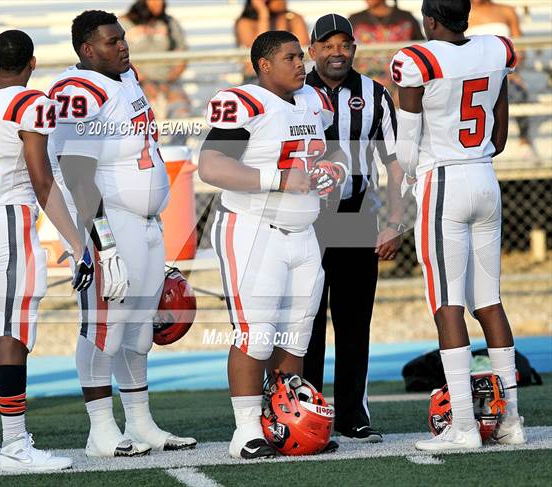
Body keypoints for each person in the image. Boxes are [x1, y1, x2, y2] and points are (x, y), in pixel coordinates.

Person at [47, 9, 196, 458]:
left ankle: (140, 422)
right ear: (87, 49)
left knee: (138, 332)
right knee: (103, 329)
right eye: (112, 41)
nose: (123, 46)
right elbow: (77, 173)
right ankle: (100, 431)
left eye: (123, 38)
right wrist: (103, 244)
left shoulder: (124, 77)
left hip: (145, 222)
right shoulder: (77, 91)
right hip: (107, 223)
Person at [0, 30, 94, 472]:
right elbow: (42, 181)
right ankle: (15, 445)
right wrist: (78, 244)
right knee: (15, 337)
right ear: (32, 63)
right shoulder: (30, 104)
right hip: (10, 223)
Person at [199, 30, 343, 459]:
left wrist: (333, 170)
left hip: (304, 232)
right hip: (252, 230)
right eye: (290, 58)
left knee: (296, 335)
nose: (301, 64)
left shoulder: (313, 100)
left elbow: (333, 152)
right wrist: (277, 179)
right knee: (256, 334)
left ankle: (284, 422)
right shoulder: (248, 102)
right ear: (264, 65)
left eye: (301, 56)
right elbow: (211, 166)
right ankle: (246, 432)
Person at [391, 0, 525, 450]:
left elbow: (407, 149)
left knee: (447, 304)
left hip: (443, 181)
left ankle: (465, 426)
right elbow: (499, 137)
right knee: (489, 301)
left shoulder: (418, 59)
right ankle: (511, 421)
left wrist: (409, 182)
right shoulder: (496, 49)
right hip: (485, 176)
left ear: (430, 20)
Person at [302, 13, 406, 444]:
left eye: (344, 44)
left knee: (353, 321)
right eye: (327, 45)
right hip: (303, 216)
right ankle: (303, 412)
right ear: (312, 50)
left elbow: (395, 164)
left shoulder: (375, 95)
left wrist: (395, 222)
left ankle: (351, 415)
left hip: (357, 212)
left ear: (354, 49)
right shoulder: (293, 93)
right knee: (304, 321)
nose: (337, 53)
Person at [467, 0, 533, 149]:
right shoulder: (462, 13)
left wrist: (511, 69)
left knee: (518, 92)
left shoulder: (507, 11)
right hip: (474, 75)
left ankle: (524, 138)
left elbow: (520, 48)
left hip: (506, 72)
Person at [123, 0, 190, 119]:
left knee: (181, 110)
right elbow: (119, 58)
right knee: (143, 111)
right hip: (135, 83)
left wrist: (169, 81)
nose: (159, 3)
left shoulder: (170, 22)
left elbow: (182, 55)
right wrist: (144, 82)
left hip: (169, 83)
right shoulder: (124, 24)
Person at [349, 0, 424, 90]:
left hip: (402, 85)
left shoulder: (406, 18)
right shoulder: (355, 20)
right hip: (366, 86)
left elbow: (421, 50)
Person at [235, 0, 309, 82]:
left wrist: (282, 20)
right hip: (257, 78)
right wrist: (263, 15)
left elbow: (303, 52)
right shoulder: (245, 22)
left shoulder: (293, 18)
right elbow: (258, 53)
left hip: (290, 76)